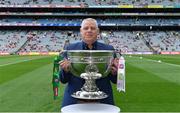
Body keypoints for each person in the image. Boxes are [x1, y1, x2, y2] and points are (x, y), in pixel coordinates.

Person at [59, 18, 118, 108]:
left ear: (98, 31)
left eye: (93, 28)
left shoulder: (109, 50)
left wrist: (115, 72)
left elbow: (114, 80)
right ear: (81, 31)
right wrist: (65, 70)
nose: (89, 30)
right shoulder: (70, 49)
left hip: (102, 98)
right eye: (86, 28)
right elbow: (63, 80)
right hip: (74, 99)